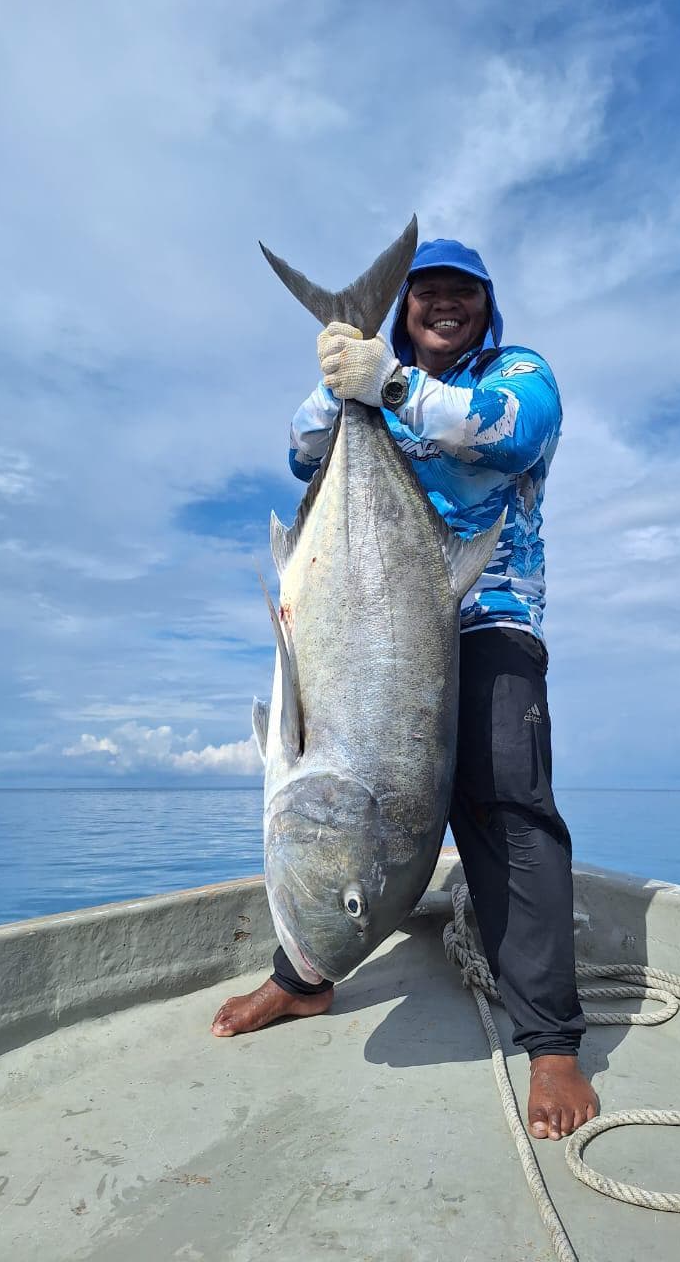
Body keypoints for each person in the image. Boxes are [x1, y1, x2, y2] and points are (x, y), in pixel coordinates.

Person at [212, 239, 599, 1141]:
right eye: (426, 294)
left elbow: (517, 430)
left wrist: (387, 381)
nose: (443, 306)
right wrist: (338, 374)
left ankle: (550, 1039)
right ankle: (306, 977)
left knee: (506, 805)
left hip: (485, 616)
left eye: (462, 293)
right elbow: (305, 453)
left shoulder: (515, 371)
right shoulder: (361, 385)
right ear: (405, 307)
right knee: (350, 792)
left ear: (484, 306)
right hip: (364, 619)